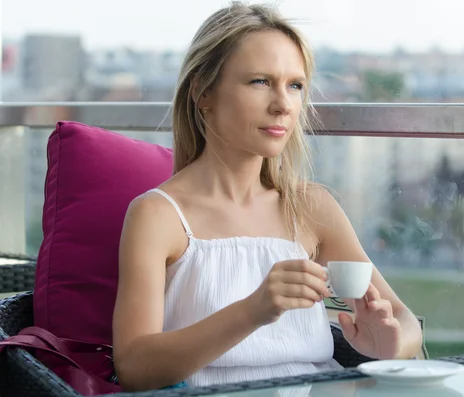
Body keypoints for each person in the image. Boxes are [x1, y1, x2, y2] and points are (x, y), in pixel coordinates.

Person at [112, 1, 423, 392]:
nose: (283, 105)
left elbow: (403, 318)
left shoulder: (312, 207)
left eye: (295, 86)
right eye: (260, 81)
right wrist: (254, 310)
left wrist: (392, 344)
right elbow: (135, 367)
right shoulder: (157, 216)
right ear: (203, 92)